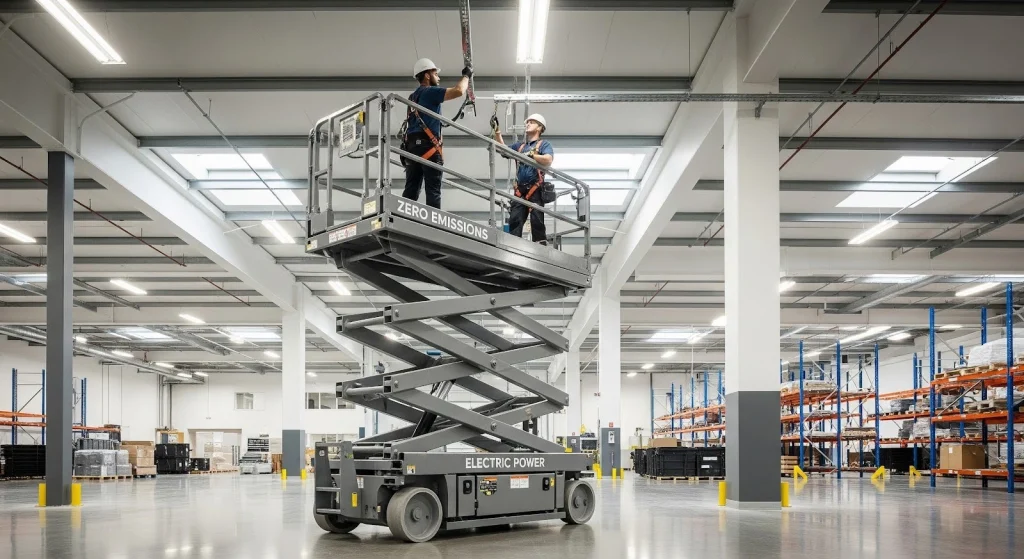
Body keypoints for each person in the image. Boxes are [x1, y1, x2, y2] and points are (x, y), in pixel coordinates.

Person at [402, 58, 472, 209]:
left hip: (412, 147)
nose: (438, 78)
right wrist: (467, 76)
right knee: (433, 191)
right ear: (427, 75)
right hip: (429, 146)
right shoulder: (429, 92)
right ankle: (433, 228)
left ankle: (403, 218)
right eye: (435, 73)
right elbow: (458, 91)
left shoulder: (412, 97)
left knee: (411, 190)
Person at [492, 113, 553, 244]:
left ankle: (541, 246)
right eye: (527, 122)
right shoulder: (520, 147)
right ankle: (513, 247)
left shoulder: (543, 145)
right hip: (520, 190)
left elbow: (548, 159)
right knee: (515, 220)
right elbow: (504, 150)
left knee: (537, 222)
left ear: (539, 127)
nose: (528, 124)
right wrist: (497, 131)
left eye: (531, 122)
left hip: (535, 189)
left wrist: (532, 156)